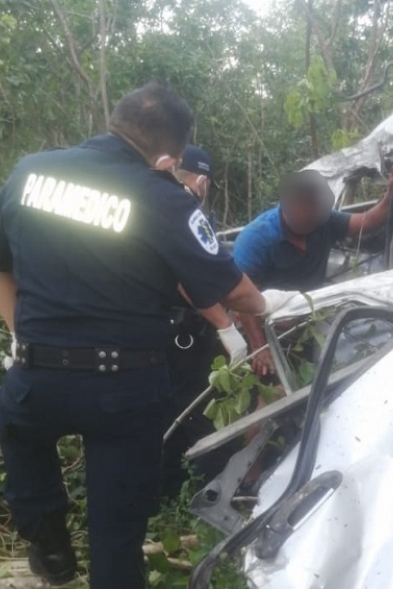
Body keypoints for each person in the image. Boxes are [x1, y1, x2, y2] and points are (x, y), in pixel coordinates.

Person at [0, 83, 295, 588]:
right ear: (171, 155)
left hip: (37, 377)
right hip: (124, 391)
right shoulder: (163, 196)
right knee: (118, 535)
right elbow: (240, 294)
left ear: (114, 122)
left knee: (19, 431)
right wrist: (269, 304)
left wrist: (21, 337)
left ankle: (50, 545)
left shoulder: (31, 171)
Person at [232, 166, 393, 375]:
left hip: (305, 320)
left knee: (308, 374)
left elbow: (366, 222)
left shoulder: (323, 220)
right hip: (264, 326)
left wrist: (390, 194)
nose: (314, 218)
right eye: (307, 213)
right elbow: (241, 302)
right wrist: (260, 347)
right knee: (271, 385)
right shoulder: (257, 239)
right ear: (287, 208)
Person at [161, 144, 245, 497]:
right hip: (182, 337)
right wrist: (227, 325)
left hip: (154, 337)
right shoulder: (180, 212)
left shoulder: (152, 205)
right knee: (204, 413)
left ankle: (168, 496)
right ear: (201, 180)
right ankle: (213, 494)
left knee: (168, 416)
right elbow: (189, 279)